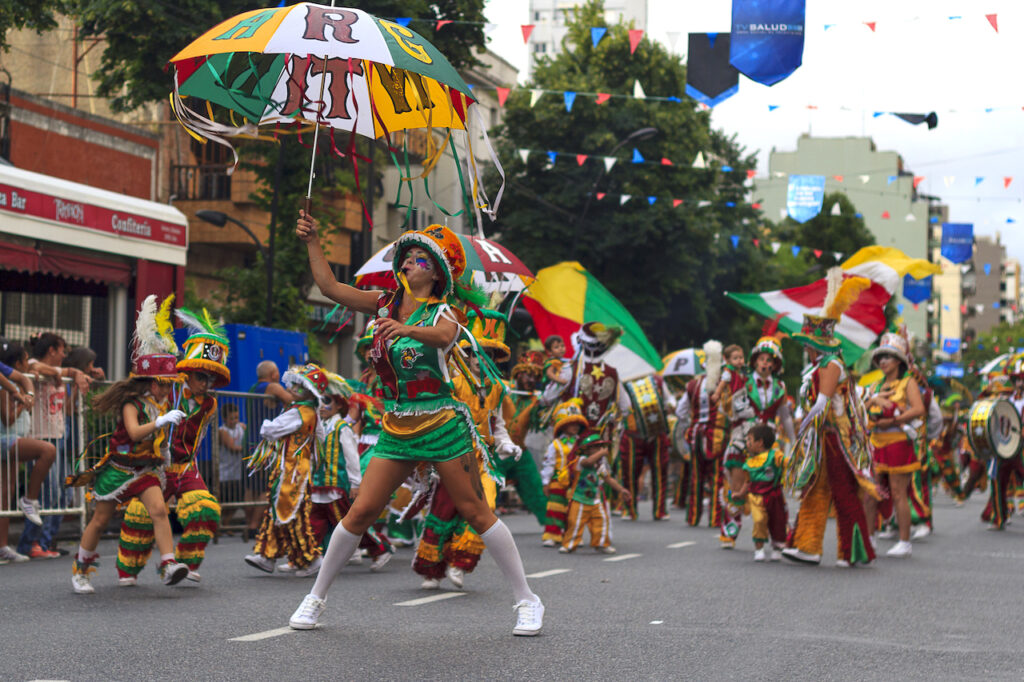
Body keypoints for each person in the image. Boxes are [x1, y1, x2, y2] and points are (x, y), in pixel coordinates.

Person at [289, 214, 543, 636]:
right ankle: (315, 598)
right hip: (397, 425)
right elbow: (330, 288)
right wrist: (314, 241)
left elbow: (444, 338)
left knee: (476, 511)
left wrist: (405, 328)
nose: (406, 264)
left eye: (418, 259)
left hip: (442, 422)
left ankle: (527, 600)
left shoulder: (446, 310)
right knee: (361, 511)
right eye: (404, 258)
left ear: (436, 272)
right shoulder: (383, 303)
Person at [65, 295, 189, 593]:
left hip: (144, 470)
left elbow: (155, 442)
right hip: (119, 470)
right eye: (165, 382)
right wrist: (159, 423)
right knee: (100, 520)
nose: (169, 387)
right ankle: (81, 571)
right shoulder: (132, 404)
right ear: (151, 383)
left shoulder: (161, 405)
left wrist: (164, 449)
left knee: (159, 511)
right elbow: (134, 434)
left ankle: (169, 564)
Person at [115, 308, 228, 584]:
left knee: (205, 510)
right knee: (141, 518)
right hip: (157, 464)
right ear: (188, 372)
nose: (206, 383)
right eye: (202, 376)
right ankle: (127, 569)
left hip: (186, 466)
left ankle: (184, 565)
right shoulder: (170, 387)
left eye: (211, 378)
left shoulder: (210, 403)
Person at [413, 308, 521, 590]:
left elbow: (497, 425)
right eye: (475, 354)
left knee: (486, 508)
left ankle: (460, 563)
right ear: (468, 356)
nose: (480, 360)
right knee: (443, 512)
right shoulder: (454, 382)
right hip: (453, 454)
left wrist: (508, 444)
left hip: (484, 461)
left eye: (488, 356)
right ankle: (432, 571)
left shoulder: (497, 388)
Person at [782, 269, 877, 568]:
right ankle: (807, 546)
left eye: (808, 343)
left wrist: (803, 429)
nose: (806, 348)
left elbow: (821, 404)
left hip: (833, 438)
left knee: (843, 492)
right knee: (815, 489)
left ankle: (852, 551)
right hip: (821, 436)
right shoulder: (820, 365)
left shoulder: (831, 364)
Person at [244, 364, 327, 578]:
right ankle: (267, 555)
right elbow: (320, 437)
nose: (292, 388)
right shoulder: (310, 412)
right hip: (294, 467)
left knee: (291, 512)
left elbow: (269, 430)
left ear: (308, 391)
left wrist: (265, 423)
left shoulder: (300, 413)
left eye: (299, 386)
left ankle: (310, 558)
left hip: (292, 469)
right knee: (278, 509)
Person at [306, 372, 392, 571]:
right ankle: (310, 558)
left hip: (337, 487)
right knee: (314, 523)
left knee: (348, 524)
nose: (321, 406)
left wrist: (355, 484)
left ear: (338, 405)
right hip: (319, 486)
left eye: (326, 401)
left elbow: (353, 458)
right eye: (319, 401)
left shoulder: (342, 428)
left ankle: (380, 548)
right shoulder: (319, 427)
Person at [17, 333, 92, 558]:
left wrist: (80, 378)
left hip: (57, 436)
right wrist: (69, 372)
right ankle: (30, 542)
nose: (64, 355)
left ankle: (46, 541)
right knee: (47, 493)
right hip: (40, 438)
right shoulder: (33, 368)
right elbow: (31, 365)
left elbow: (67, 408)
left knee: (65, 491)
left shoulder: (53, 373)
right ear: (51, 350)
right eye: (61, 350)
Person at [0, 341, 55, 562]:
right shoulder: (4, 389)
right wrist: (20, 398)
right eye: (24, 360)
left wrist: (27, 393)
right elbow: (8, 418)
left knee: (5, 495)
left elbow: (24, 378)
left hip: (13, 444)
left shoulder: (13, 379)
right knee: (48, 451)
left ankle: (2, 545)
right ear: (17, 362)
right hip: (5, 441)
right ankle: (30, 500)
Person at [675, 340, 728, 533]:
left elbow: (681, 411)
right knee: (716, 476)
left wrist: (691, 421)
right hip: (717, 435)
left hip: (696, 434)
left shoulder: (692, 385)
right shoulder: (725, 385)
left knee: (696, 476)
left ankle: (693, 516)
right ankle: (715, 517)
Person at [559, 430, 631, 554]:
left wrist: (621, 490)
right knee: (575, 523)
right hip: (579, 498)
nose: (599, 449)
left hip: (594, 500)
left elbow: (608, 478)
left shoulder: (600, 465)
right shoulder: (581, 460)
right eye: (595, 447)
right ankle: (569, 544)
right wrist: (602, 452)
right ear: (586, 449)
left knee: (602, 521)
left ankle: (601, 543)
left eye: (600, 447)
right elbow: (588, 462)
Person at [502, 350, 550, 526]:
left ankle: (553, 528)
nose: (531, 380)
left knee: (536, 490)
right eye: (527, 375)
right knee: (485, 492)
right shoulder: (504, 388)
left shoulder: (536, 400)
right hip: (496, 452)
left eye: (535, 377)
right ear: (518, 374)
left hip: (520, 452)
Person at [618, 373, 675, 521]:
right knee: (629, 473)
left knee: (660, 471)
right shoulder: (624, 380)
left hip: (656, 433)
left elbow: (670, 400)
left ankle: (660, 510)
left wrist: (669, 407)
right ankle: (629, 509)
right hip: (633, 434)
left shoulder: (657, 380)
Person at [732, 424, 788, 562]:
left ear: (760, 442)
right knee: (759, 521)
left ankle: (777, 548)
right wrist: (740, 494)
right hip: (756, 497)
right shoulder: (749, 463)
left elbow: (787, 463)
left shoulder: (775, 455)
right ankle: (759, 549)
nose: (747, 443)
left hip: (775, 496)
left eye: (749, 440)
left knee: (778, 522)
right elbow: (748, 482)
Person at [541, 399, 588, 547]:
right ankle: (552, 535)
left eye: (577, 424)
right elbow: (548, 464)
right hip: (558, 482)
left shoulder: (581, 443)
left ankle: (574, 536)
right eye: (571, 423)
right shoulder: (554, 445)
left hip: (576, 483)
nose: (575, 426)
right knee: (555, 508)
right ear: (563, 425)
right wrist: (546, 482)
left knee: (573, 511)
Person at [217, 402, 247, 530]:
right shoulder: (222, 431)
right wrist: (249, 449)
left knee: (237, 501)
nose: (235, 421)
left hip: (238, 472)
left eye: (236, 417)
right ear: (224, 419)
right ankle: (221, 525)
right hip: (225, 474)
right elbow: (232, 447)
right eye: (231, 418)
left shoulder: (242, 427)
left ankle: (226, 525)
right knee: (226, 502)